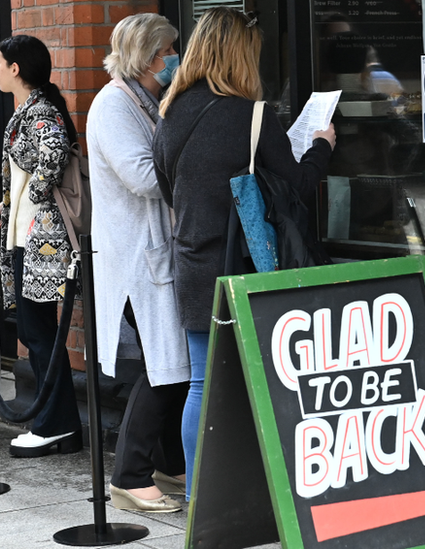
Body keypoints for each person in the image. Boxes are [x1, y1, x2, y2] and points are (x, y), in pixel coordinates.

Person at [152, 7, 336, 498]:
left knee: (201, 384)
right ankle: (276, 492)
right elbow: (296, 183)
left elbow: (167, 188)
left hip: (194, 262)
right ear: (240, 55)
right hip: (251, 266)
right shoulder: (252, 115)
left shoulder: (170, 110)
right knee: (276, 382)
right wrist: (321, 147)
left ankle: (200, 496)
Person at [87, 13, 190, 513]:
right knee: (164, 368)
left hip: (156, 254)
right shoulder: (113, 105)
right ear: (150, 57)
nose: (176, 57)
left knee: (171, 364)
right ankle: (128, 476)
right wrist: (195, 160)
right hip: (137, 258)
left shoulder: (145, 99)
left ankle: (168, 465)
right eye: (170, 50)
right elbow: (145, 177)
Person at [0, 34, 82, 458]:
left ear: (16, 69)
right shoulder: (32, 110)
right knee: (35, 330)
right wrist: (8, 208)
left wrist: (36, 198)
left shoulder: (40, 112)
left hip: (41, 239)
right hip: (27, 232)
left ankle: (55, 425)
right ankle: (57, 422)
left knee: (39, 331)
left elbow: (54, 156)